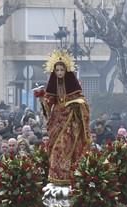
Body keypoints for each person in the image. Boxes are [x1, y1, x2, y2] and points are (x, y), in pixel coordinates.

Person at [35, 50, 90, 185]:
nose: (59, 72)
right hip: (56, 120)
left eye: (62, 69)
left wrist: (76, 106)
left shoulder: (74, 87)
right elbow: (48, 107)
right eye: (57, 70)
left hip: (70, 121)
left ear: (66, 70)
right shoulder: (53, 86)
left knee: (65, 146)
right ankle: (56, 175)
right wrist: (42, 98)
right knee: (55, 148)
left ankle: (68, 174)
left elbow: (82, 103)